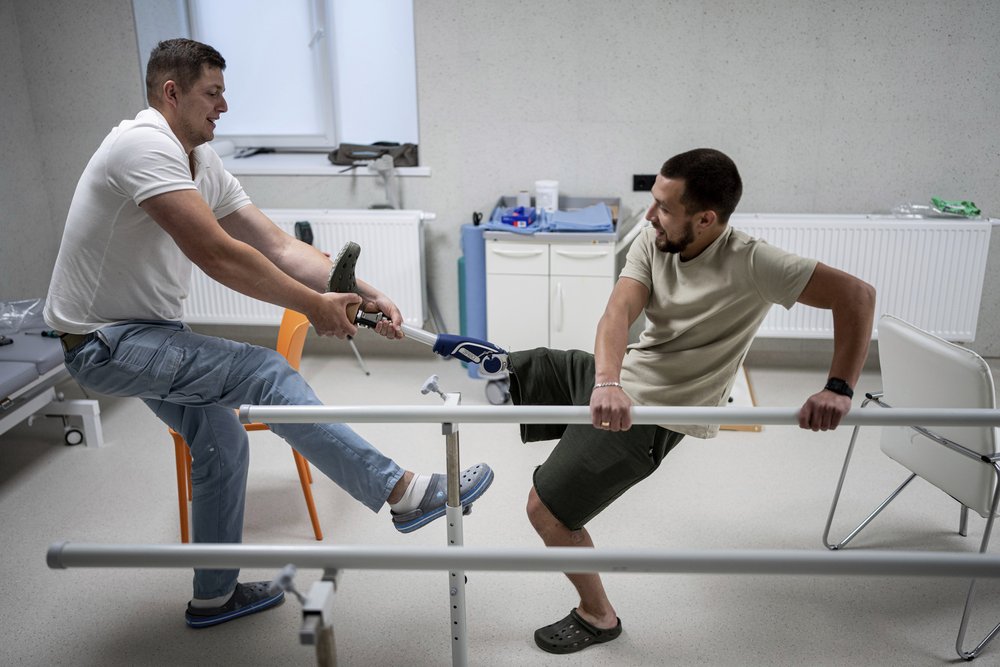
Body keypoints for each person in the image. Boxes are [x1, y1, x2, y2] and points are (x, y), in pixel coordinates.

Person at [43, 38, 493, 629]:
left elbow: (276, 245)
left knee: (221, 444)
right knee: (264, 372)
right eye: (213, 93)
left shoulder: (201, 160)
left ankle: (213, 596)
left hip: (145, 331)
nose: (224, 106)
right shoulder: (142, 146)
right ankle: (400, 492)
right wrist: (313, 306)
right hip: (104, 340)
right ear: (171, 93)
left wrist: (364, 290)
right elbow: (217, 256)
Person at [508, 148, 876, 654]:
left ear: (705, 219)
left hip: (651, 412)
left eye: (663, 206)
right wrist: (607, 381)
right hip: (622, 381)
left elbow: (856, 295)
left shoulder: (754, 261)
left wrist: (838, 387)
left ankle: (598, 615)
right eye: (653, 201)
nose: (650, 215)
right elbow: (618, 314)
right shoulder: (652, 239)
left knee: (546, 511)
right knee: (516, 368)